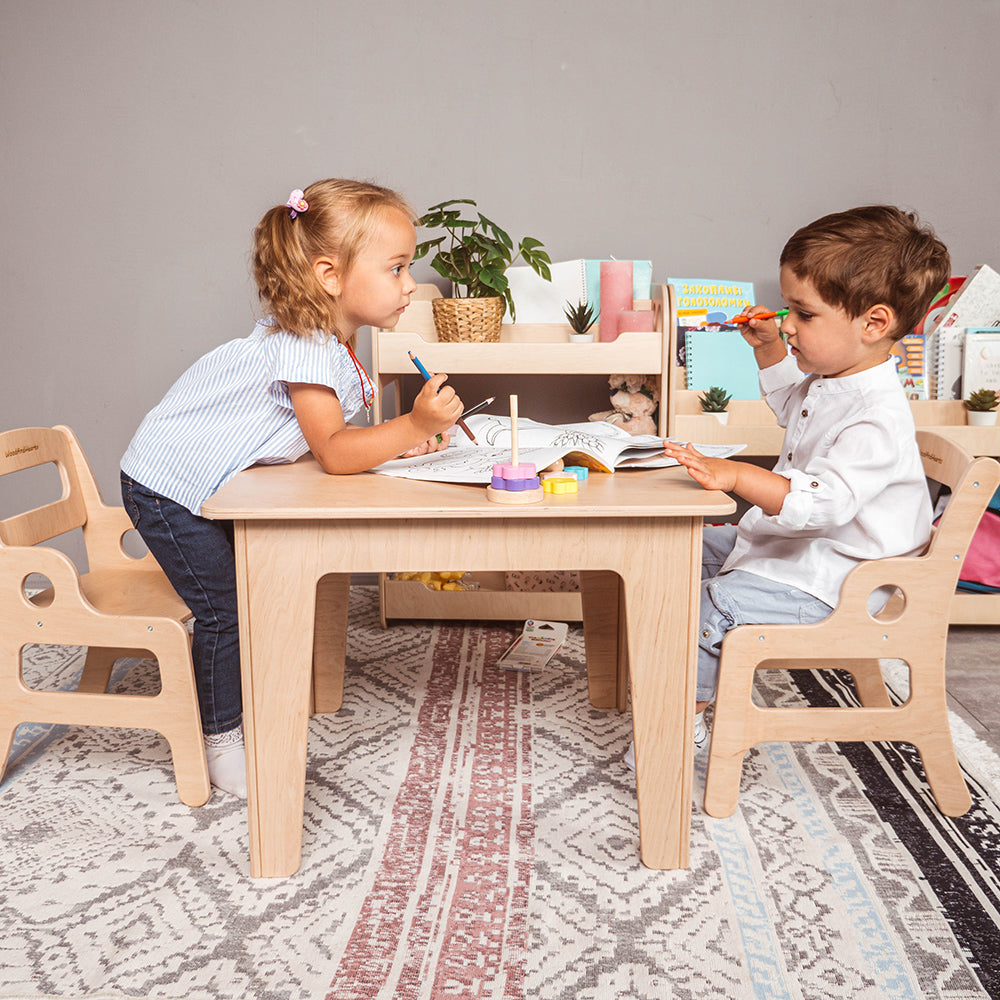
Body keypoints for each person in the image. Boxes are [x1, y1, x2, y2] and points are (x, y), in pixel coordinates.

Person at [121, 179, 463, 797]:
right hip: (167, 487)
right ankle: (223, 743)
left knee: (248, 595)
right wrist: (412, 423)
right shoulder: (305, 345)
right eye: (396, 268)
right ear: (330, 275)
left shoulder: (331, 341)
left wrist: (400, 441)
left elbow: (322, 438)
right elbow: (333, 452)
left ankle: (245, 705)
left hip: (205, 479)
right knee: (226, 609)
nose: (410, 284)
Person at [627, 205, 950, 768]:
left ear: (873, 323)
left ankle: (685, 724)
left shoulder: (876, 415)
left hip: (840, 579)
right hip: (803, 552)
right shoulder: (835, 380)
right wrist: (771, 349)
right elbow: (791, 407)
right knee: (671, 545)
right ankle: (660, 670)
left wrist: (736, 476)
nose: (789, 323)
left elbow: (821, 504)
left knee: (712, 606)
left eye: (804, 314)